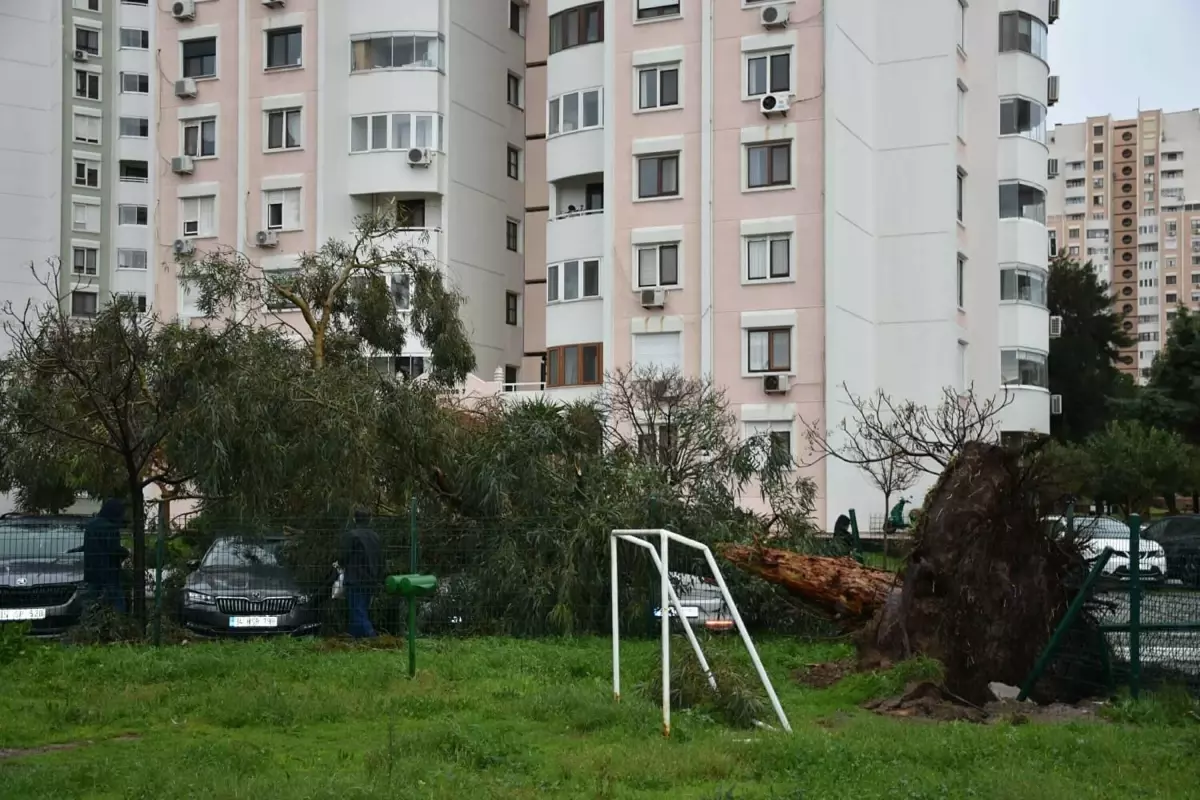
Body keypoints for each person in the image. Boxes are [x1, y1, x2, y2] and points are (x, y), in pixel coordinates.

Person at [340, 508, 384, 638]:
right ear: (369, 520)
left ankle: (372, 637)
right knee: (361, 608)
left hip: (355, 578)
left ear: (354, 519)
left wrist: (340, 564)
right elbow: (381, 558)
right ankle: (354, 637)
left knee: (357, 610)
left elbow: (344, 557)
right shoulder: (375, 536)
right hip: (371, 578)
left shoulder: (351, 535)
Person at [83, 498, 128, 613]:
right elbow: (114, 549)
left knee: (92, 602)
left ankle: (90, 624)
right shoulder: (110, 528)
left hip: (91, 572)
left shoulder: (91, 525)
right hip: (109, 573)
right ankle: (119, 624)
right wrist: (126, 553)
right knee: (118, 603)